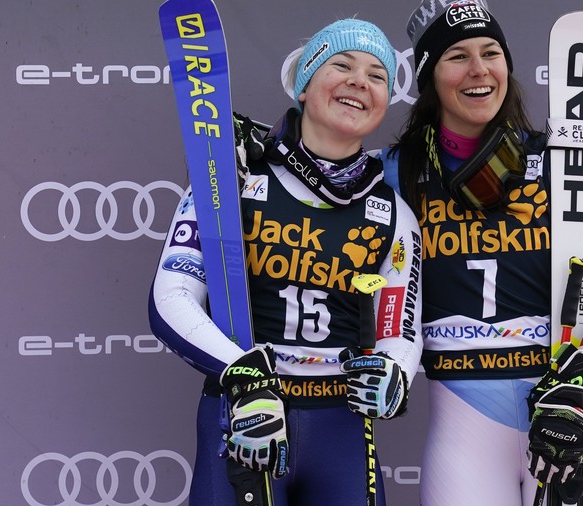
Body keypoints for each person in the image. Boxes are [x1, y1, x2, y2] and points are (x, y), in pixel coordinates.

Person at [149, 19, 423, 506]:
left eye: (378, 75)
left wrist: (394, 372)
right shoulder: (230, 176)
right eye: (342, 65)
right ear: (304, 83)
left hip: (341, 424)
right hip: (244, 412)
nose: (360, 80)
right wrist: (242, 374)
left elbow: (398, 328)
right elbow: (171, 298)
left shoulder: (393, 213)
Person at [381, 1, 583, 505]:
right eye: (457, 56)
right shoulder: (395, 173)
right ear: (431, 75)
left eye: (491, 52)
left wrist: (582, 374)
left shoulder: (561, 163)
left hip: (563, 412)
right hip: (464, 431)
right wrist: (259, 151)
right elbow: (313, 187)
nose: (479, 70)